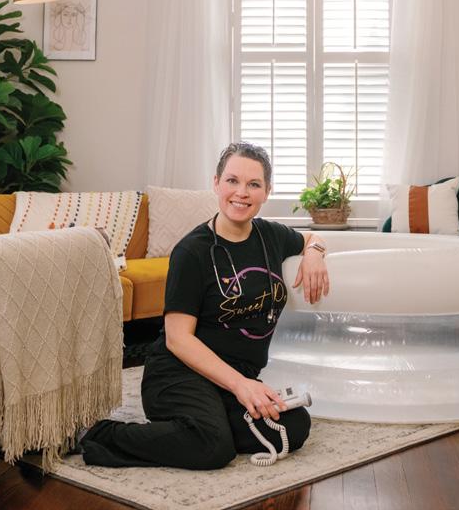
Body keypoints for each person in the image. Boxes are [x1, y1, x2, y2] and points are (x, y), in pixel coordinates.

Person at [80, 142, 329, 469]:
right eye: (232, 180)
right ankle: (97, 435)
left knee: (294, 425)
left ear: (267, 191)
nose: (241, 192)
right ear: (216, 183)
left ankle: (201, 425)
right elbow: (177, 339)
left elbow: (311, 238)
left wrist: (315, 254)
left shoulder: (272, 236)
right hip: (178, 373)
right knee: (213, 447)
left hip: (233, 378)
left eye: (254, 184)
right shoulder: (191, 252)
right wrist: (241, 386)